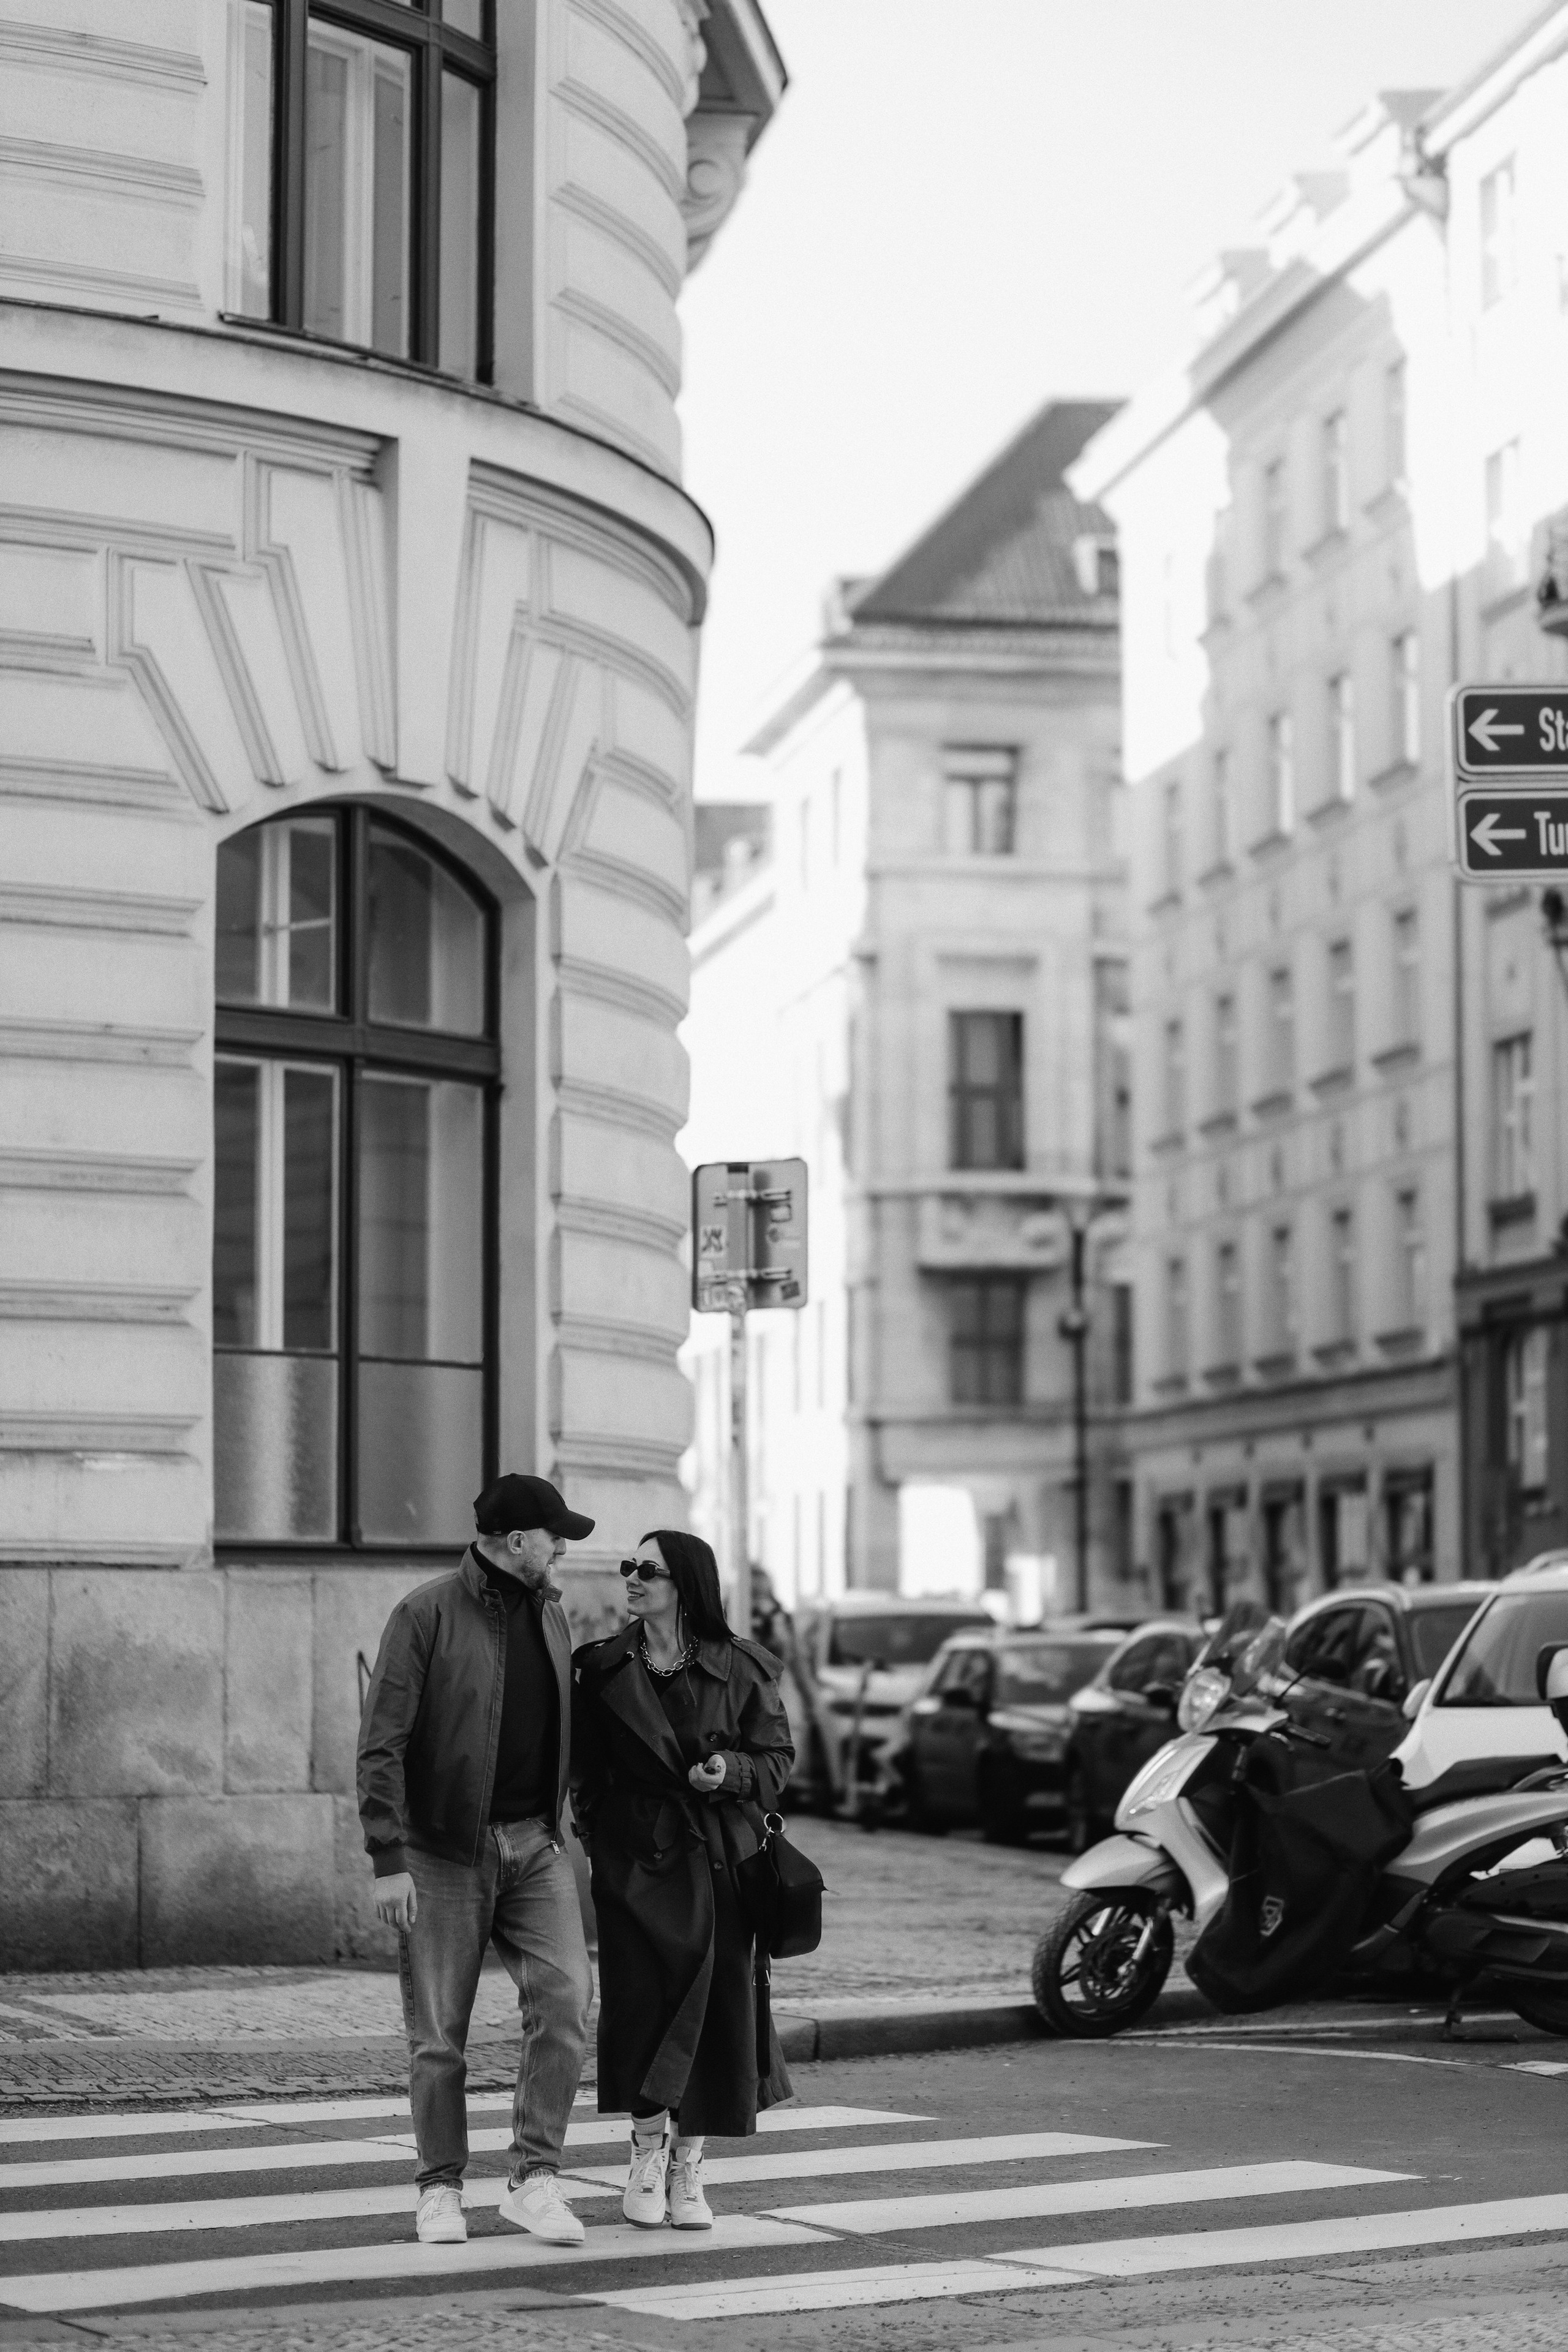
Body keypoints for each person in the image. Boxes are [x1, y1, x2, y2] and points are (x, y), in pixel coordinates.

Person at [357, 1472, 597, 2250]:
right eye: (554, 1536)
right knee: (439, 2035)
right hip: (440, 1855)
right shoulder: (425, 1613)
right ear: (517, 1541)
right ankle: (439, 2189)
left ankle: (534, 2179)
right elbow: (382, 1743)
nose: (563, 1548)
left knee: (564, 2002)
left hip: (534, 1845)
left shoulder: (553, 1617)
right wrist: (388, 1855)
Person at [571, 1530, 795, 2231]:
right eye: (628, 1568)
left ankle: (687, 2163)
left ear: (686, 1585)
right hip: (636, 1860)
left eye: (648, 1571)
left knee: (715, 2006)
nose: (631, 1580)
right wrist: (600, 1843)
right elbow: (585, 1772)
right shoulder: (603, 1667)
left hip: (720, 1862)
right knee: (641, 2003)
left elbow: (777, 1758)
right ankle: (643, 2154)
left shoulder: (743, 1667)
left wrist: (733, 1774)